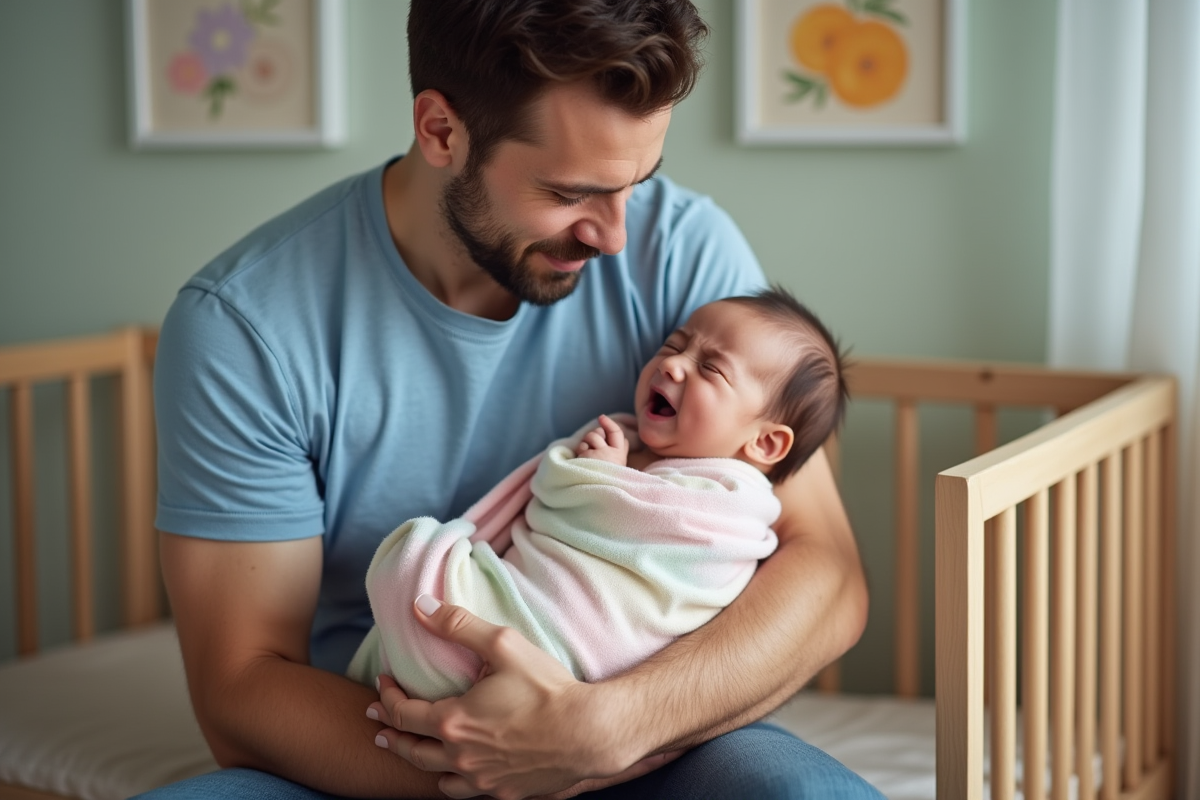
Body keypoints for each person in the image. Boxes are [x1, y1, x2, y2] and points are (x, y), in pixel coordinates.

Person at [144, 1, 878, 798]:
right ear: (441, 131)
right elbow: (242, 691)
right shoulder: (246, 327)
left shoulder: (686, 255)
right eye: (570, 193)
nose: (616, 235)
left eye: (637, 183)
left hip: (642, 732)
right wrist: (493, 762)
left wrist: (604, 730)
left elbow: (827, 575)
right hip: (385, 741)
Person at [347, 288, 848, 702]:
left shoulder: (729, 505)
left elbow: (649, 541)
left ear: (764, 442)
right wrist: (603, 471)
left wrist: (600, 482)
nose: (674, 366)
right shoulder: (626, 439)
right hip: (533, 600)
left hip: (574, 653)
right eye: (674, 347)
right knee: (414, 569)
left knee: (412, 562)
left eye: (711, 370)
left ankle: (441, 661)